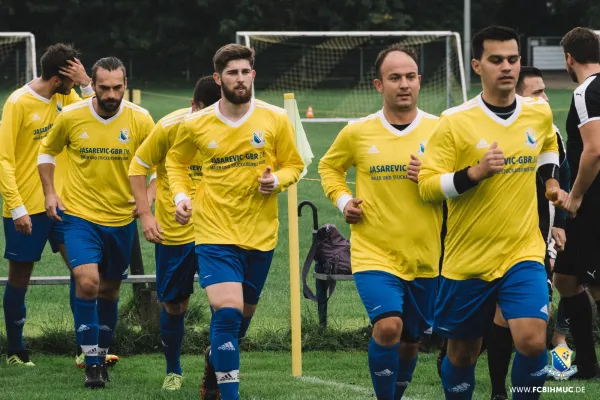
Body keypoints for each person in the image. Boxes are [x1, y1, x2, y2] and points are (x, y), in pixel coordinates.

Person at [419, 26, 565, 399]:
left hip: (523, 251)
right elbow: (427, 185)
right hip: (467, 260)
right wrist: (474, 174)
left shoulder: (538, 111)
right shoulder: (453, 121)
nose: (506, 67)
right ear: (476, 65)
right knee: (463, 353)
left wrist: (549, 180)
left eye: (512, 60)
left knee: (533, 342)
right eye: (496, 60)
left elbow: (548, 143)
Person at [165, 44, 304, 400]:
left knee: (238, 324)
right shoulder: (196, 123)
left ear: (253, 75)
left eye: (245, 72)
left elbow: (295, 164)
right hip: (214, 232)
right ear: (218, 78)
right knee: (227, 314)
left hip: (260, 234)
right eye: (232, 73)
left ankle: (214, 359)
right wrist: (181, 198)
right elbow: (176, 164)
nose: (240, 79)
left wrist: (278, 181)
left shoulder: (275, 119)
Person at [319, 45, 442, 400]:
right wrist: (344, 202)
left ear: (419, 81)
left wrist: (435, 174)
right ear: (378, 85)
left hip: (426, 255)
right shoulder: (358, 131)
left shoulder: (441, 130)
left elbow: (464, 179)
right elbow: (329, 168)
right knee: (388, 327)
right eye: (394, 78)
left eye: (410, 77)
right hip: (374, 252)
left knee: (410, 341)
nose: (403, 84)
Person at [37, 56, 155, 388]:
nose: (111, 94)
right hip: (79, 216)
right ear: (94, 83)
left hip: (121, 219)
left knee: (111, 290)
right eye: (104, 87)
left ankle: (102, 355)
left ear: (125, 84)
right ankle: (91, 363)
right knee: (88, 282)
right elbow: (46, 153)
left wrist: (149, 195)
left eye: (118, 87)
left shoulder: (141, 120)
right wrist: (50, 192)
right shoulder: (72, 116)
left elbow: (162, 161)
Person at [0, 43, 93, 366]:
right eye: (73, 75)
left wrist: (85, 82)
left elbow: (99, 116)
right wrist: (16, 208)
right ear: (58, 78)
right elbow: (4, 160)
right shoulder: (17, 103)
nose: (74, 84)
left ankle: (84, 349)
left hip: (65, 205)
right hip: (27, 208)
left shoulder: (68, 98)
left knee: (83, 274)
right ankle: (15, 350)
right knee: (20, 278)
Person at [128, 75, 221, 390]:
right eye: (207, 114)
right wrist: (146, 213)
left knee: (225, 303)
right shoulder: (169, 126)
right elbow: (139, 166)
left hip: (219, 229)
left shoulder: (233, 125)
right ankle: (174, 370)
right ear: (194, 106)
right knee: (174, 305)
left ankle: (219, 365)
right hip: (175, 230)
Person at [485, 66, 570, 399]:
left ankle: (513, 389)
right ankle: (494, 387)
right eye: (537, 93)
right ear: (516, 95)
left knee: (528, 328)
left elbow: (558, 179)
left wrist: (560, 222)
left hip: (536, 242)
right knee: (497, 320)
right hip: (489, 242)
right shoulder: (490, 132)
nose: (546, 98)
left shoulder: (549, 132)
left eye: (545, 91)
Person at [552, 26, 600, 380]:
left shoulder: (586, 91)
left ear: (569, 58)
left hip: (591, 203)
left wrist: (577, 195)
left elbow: (594, 150)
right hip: (583, 209)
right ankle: (586, 364)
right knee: (565, 278)